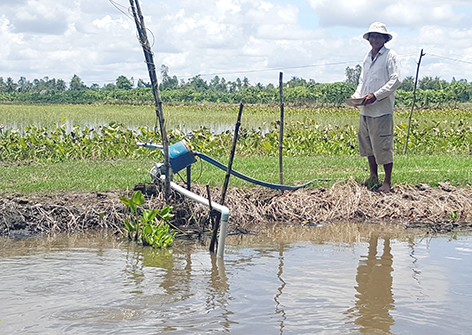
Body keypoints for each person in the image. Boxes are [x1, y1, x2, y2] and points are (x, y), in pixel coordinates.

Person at [352, 22, 401, 192]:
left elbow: (395, 80)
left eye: (379, 36)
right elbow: (362, 81)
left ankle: (387, 182)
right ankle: (373, 176)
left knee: (383, 145)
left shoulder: (390, 56)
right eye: (372, 36)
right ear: (369, 39)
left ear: (385, 39)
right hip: (365, 109)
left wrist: (376, 95)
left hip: (381, 110)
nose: (375, 39)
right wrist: (357, 96)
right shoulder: (367, 57)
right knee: (368, 145)